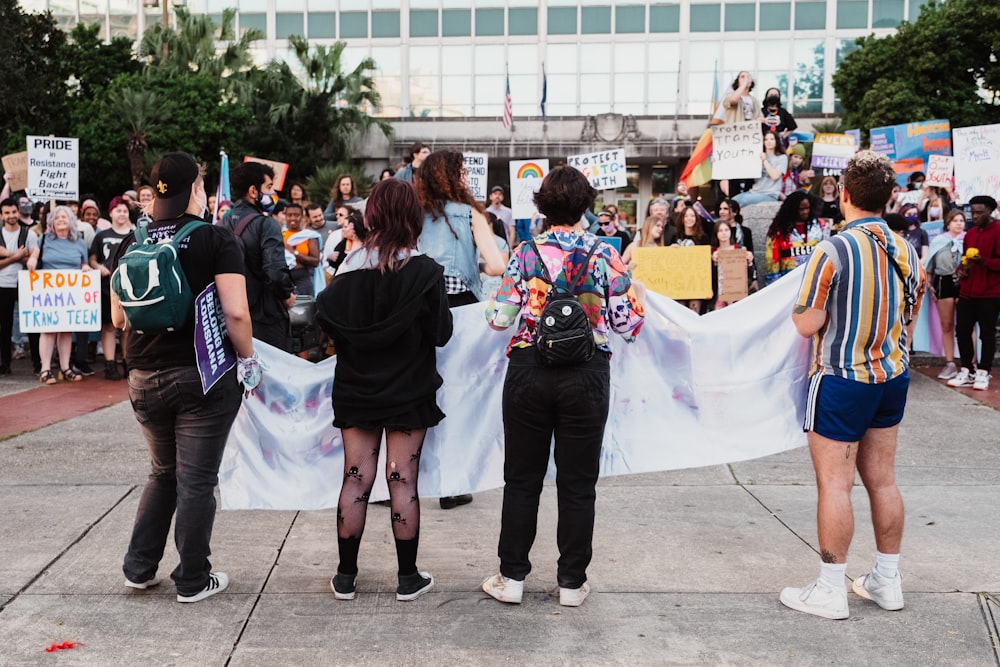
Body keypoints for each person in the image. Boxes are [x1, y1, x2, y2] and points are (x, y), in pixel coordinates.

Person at [482, 166, 645, 608]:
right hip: (587, 374)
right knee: (578, 483)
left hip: (530, 369)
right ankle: (571, 583)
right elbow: (628, 324)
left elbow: (499, 319)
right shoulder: (605, 255)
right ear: (586, 205)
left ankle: (511, 578)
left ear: (542, 205)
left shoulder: (525, 253)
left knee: (521, 479)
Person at [781, 150, 924, 620]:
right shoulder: (908, 251)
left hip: (843, 379)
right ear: (888, 198)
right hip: (891, 377)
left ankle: (829, 588)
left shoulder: (832, 250)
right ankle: (887, 580)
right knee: (882, 481)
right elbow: (909, 322)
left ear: (843, 195)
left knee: (835, 485)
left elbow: (807, 324)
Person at [113, 151, 259, 603]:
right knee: (196, 480)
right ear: (195, 189)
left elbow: (118, 318)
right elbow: (235, 311)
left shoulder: (131, 243)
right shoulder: (214, 239)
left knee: (162, 472)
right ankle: (193, 579)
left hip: (142, 375)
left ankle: (139, 568)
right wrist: (249, 360)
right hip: (200, 376)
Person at [316, 178, 452, 603]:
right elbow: (442, 333)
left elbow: (326, 322)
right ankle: (408, 578)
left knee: (356, 478)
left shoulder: (346, 270)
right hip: (409, 389)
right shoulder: (425, 272)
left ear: (370, 215)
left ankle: (345, 576)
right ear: (413, 217)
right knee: (402, 479)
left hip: (356, 387)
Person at [415, 149, 506, 509]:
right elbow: (498, 265)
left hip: (416, 305)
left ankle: (402, 477)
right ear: (452, 175)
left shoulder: (415, 213)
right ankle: (451, 485)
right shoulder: (471, 213)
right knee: (455, 393)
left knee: (418, 389)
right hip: (458, 310)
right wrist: (476, 270)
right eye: (463, 171)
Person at [224, 161, 295, 352]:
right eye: (269, 187)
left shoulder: (222, 223)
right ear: (253, 191)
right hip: (267, 317)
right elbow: (275, 272)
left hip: (232, 314)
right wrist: (286, 294)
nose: (273, 194)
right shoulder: (266, 224)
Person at [25, 206, 91, 384]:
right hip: (49, 293)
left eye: (65, 217)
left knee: (66, 330)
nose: (61, 220)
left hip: (71, 293)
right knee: (47, 330)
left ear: (71, 220)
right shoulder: (44, 239)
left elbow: (83, 263)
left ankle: (65, 368)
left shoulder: (79, 242)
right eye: (57, 217)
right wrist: (32, 259)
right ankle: (45, 369)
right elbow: (35, 255)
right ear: (51, 222)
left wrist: (86, 269)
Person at [947, 195, 1000, 391]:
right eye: (973, 212)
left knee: (987, 334)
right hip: (968, 292)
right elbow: (964, 260)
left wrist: (982, 261)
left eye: (979, 212)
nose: (975, 216)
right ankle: (967, 369)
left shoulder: (998, 230)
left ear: (990, 211)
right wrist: (962, 268)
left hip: (990, 293)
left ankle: (983, 371)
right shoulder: (970, 234)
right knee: (962, 331)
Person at [89, 197, 134, 380]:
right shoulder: (101, 236)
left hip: (130, 287)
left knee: (127, 327)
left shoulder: (136, 234)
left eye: (124, 210)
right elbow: (92, 258)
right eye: (118, 210)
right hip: (108, 286)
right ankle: (109, 364)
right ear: (111, 213)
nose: (122, 214)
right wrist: (98, 267)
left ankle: (127, 360)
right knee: (108, 326)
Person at [924, 209, 965, 380]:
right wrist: (929, 283)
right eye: (955, 220)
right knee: (947, 324)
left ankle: (970, 362)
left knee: (965, 324)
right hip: (944, 282)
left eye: (962, 220)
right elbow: (930, 266)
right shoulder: (939, 241)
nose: (959, 223)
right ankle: (950, 363)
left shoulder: (968, 239)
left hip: (964, 282)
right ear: (948, 223)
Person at [0, 197, 39, 375]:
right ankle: (5, 363)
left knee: (32, 324)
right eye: (7, 213)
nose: (11, 216)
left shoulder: (29, 234)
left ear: (18, 212)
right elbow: (23, 257)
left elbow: (33, 259)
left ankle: (38, 364)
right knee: (4, 325)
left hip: (26, 283)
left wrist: (6, 257)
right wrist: (16, 256)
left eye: (13, 212)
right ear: (1, 215)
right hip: (3, 284)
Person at [764, 191, 829, 286]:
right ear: (792, 209)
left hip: (815, 280)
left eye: (807, 208)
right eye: (801, 209)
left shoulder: (821, 225)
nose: (805, 211)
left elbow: (827, 253)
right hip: (788, 282)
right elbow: (771, 259)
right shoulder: (779, 230)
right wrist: (774, 285)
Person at [732, 130, 788, 207]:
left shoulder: (782, 158)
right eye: (766, 139)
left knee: (745, 201)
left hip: (770, 194)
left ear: (776, 141)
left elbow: (774, 176)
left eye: (772, 139)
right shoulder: (757, 156)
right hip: (754, 192)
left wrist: (764, 160)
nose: (769, 142)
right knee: (732, 202)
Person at [673, 205, 712, 314]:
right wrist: (671, 250)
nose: (689, 218)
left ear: (696, 218)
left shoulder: (703, 237)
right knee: (680, 311)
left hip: (696, 280)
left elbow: (706, 262)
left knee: (694, 311)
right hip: (679, 280)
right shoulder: (675, 237)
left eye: (692, 216)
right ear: (682, 219)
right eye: (686, 216)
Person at [711, 220, 756, 310]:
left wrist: (750, 263)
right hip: (719, 294)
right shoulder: (712, 252)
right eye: (720, 230)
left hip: (738, 293)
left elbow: (749, 274)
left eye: (726, 230)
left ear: (730, 232)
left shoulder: (739, 250)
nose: (724, 233)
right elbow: (711, 278)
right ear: (716, 233)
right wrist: (714, 263)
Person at [282, 203, 322, 297]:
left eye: (296, 215)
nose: (292, 218)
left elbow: (315, 261)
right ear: (285, 216)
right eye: (289, 215)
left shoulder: (310, 236)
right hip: (283, 278)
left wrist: (294, 252)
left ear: (302, 217)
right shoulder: (280, 234)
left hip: (302, 278)